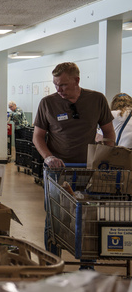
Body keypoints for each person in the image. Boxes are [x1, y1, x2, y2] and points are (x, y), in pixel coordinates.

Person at [33, 62, 115, 257]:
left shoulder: (96, 100)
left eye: (63, 85)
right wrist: (48, 157)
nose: (58, 90)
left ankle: (87, 263)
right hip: (57, 171)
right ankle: (53, 262)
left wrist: (104, 157)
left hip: (88, 171)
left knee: (88, 217)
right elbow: (37, 136)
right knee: (54, 218)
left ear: (77, 80)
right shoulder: (48, 103)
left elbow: (109, 133)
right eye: (55, 85)